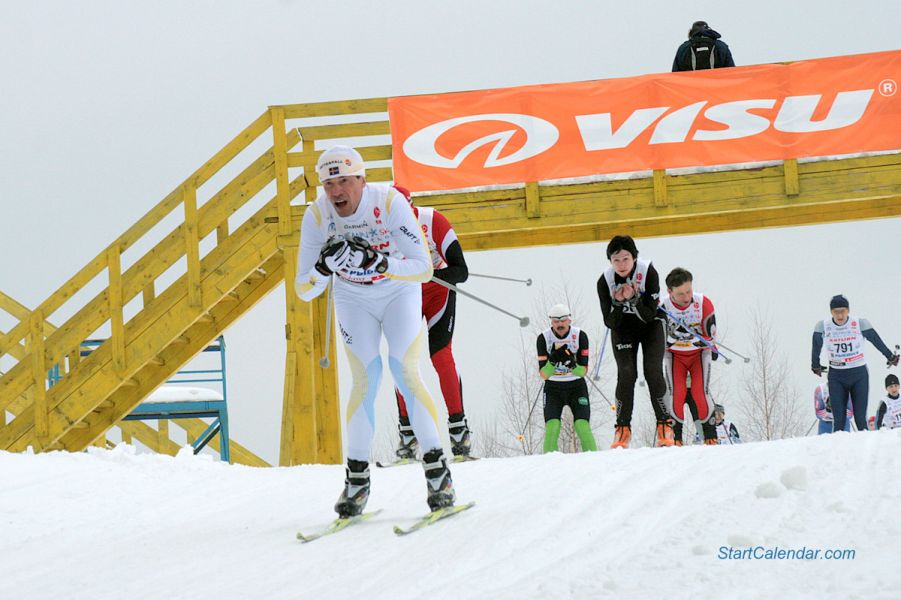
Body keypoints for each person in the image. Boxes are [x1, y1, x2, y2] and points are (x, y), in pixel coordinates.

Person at [294, 145, 456, 516]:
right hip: (353, 297)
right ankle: (356, 482)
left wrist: (379, 260)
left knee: (405, 371)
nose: (336, 192)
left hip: (397, 291)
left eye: (344, 181)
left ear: (361, 181)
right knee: (365, 380)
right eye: (328, 183)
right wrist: (322, 268)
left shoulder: (388, 202)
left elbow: (422, 269)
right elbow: (304, 289)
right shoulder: (317, 215)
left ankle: (437, 473)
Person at [391, 187, 473, 460]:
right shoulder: (380, 229)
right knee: (401, 362)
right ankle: (408, 436)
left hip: (438, 291)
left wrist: (431, 275)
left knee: (440, 356)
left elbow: (461, 271)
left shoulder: (432, 221)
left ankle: (459, 433)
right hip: (405, 296)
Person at [597, 235, 672, 449]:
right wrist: (619, 303)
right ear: (610, 261)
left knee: (652, 370)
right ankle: (622, 429)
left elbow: (649, 314)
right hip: (623, 327)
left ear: (634, 257)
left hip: (651, 325)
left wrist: (635, 298)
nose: (621, 265)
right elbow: (609, 321)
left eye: (626, 259)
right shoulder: (605, 281)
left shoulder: (648, 272)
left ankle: (665, 425)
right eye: (616, 260)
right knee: (627, 372)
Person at [810, 294, 899, 433]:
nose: (840, 316)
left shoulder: (859, 323)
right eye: (836, 312)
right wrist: (815, 364)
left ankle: (866, 452)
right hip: (837, 376)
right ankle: (839, 452)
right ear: (831, 312)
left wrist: (890, 356)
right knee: (839, 420)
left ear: (848, 310)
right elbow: (816, 347)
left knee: (860, 419)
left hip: (858, 375)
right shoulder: (823, 326)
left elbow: (876, 341)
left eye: (843, 311)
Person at [660, 267, 719, 446]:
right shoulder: (663, 307)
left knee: (700, 392)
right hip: (675, 357)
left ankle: (711, 437)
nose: (686, 297)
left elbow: (711, 336)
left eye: (689, 291)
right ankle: (675, 439)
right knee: (676, 393)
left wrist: (697, 338)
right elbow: (658, 342)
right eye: (681, 294)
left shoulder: (703, 303)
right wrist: (672, 336)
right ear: (670, 292)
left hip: (698, 356)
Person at [536, 304, 597, 453]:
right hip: (553, 388)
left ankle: (595, 460)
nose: (560, 324)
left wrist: (571, 364)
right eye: (556, 321)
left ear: (569, 320)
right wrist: (553, 361)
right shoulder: (543, 338)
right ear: (551, 322)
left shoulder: (579, 336)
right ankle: (549, 463)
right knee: (553, 426)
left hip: (576, 386)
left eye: (563, 320)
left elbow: (583, 372)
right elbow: (544, 374)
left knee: (582, 425)